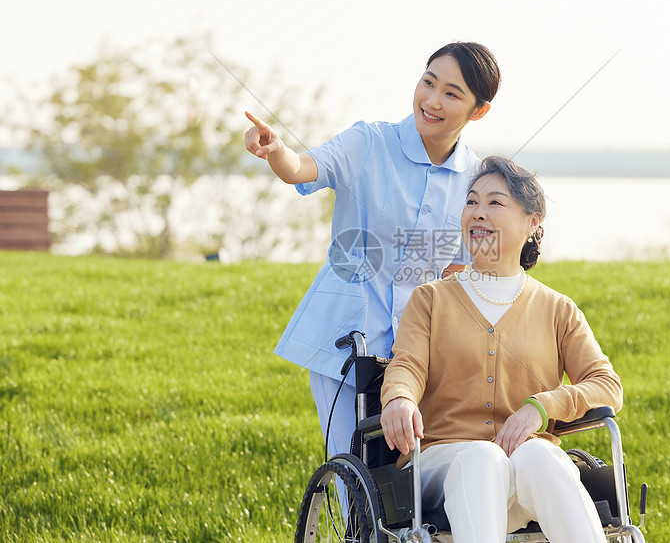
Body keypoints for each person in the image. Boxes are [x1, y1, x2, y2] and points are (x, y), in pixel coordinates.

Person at [244, 42, 501, 459]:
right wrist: (275, 150)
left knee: (411, 482)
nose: (432, 101)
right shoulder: (368, 142)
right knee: (354, 471)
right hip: (344, 340)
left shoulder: (477, 180)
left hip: (416, 355)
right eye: (428, 82)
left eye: (452, 94)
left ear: (478, 111)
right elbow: (301, 169)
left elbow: (464, 271)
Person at [380, 156, 623, 543]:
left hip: (526, 466)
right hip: (442, 463)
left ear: (532, 222)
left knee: (543, 456)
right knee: (483, 457)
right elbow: (406, 364)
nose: (477, 213)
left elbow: (606, 384)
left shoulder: (558, 309)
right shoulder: (430, 299)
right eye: (472, 202)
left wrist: (542, 407)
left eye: (494, 203)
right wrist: (399, 399)